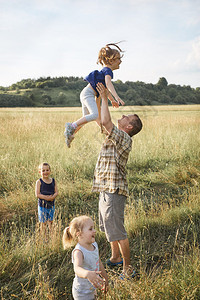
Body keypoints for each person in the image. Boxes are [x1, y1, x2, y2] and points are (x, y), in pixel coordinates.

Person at [92, 83, 143, 280]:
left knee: (118, 231)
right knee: (107, 226)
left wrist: (106, 98)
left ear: (128, 127)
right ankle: (115, 258)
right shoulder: (116, 134)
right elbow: (100, 118)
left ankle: (128, 270)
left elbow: (105, 121)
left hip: (114, 190)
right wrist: (98, 96)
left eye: (126, 117)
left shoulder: (124, 138)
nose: (122, 116)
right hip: (105, 187)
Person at [64, 42, 125, 148]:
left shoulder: (105, 71)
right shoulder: (108, 71)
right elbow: (108, 84)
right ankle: (71, 126)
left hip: (86, 94)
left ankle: (71, 135)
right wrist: (117, 97)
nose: (121, 61)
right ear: (111, 60)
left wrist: (111, 99)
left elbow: (105, 89)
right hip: (88, 94)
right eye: (118, 59)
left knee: (85, 119)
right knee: (94, 115)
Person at [63, 215, 108, 300]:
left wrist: (105, 278)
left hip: (92, 288)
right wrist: (87, 274)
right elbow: (77, 268)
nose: (94, 231)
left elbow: (98, 261)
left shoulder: (94, 245)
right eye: (90, 229)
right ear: (79, 234)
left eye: (93, 228)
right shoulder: (79, 251)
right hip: (82, 293)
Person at [35, 162, 58, 232]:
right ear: (40, 172)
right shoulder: (39, 182)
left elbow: (56, 192)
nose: (45, 172)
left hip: (51, 205)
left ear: (50, 171)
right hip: (42, 206)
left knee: (51, 221)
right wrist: (47, 198)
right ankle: (44, 236)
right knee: (43, 222)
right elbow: (37, 194)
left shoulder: (53, 181)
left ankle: (52, 234)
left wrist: (53, 197)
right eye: (43, 170)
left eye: (47, 170)